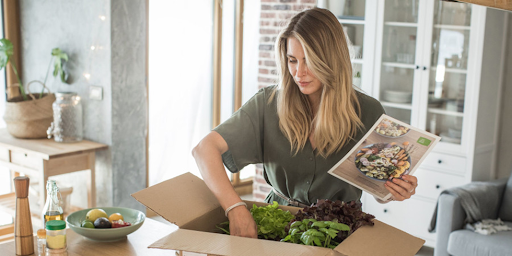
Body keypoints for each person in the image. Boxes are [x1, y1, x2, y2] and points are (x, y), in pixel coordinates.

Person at [192, 7, 418, 239]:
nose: (299, 72)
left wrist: (393, 191)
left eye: (309, 61)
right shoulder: (268, 103)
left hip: (340, 232)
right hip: (278, 225)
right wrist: (235, 208)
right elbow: (203, 150)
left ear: (331, 60)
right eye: (292, 60)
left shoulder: (368, 111)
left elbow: (379, 189)